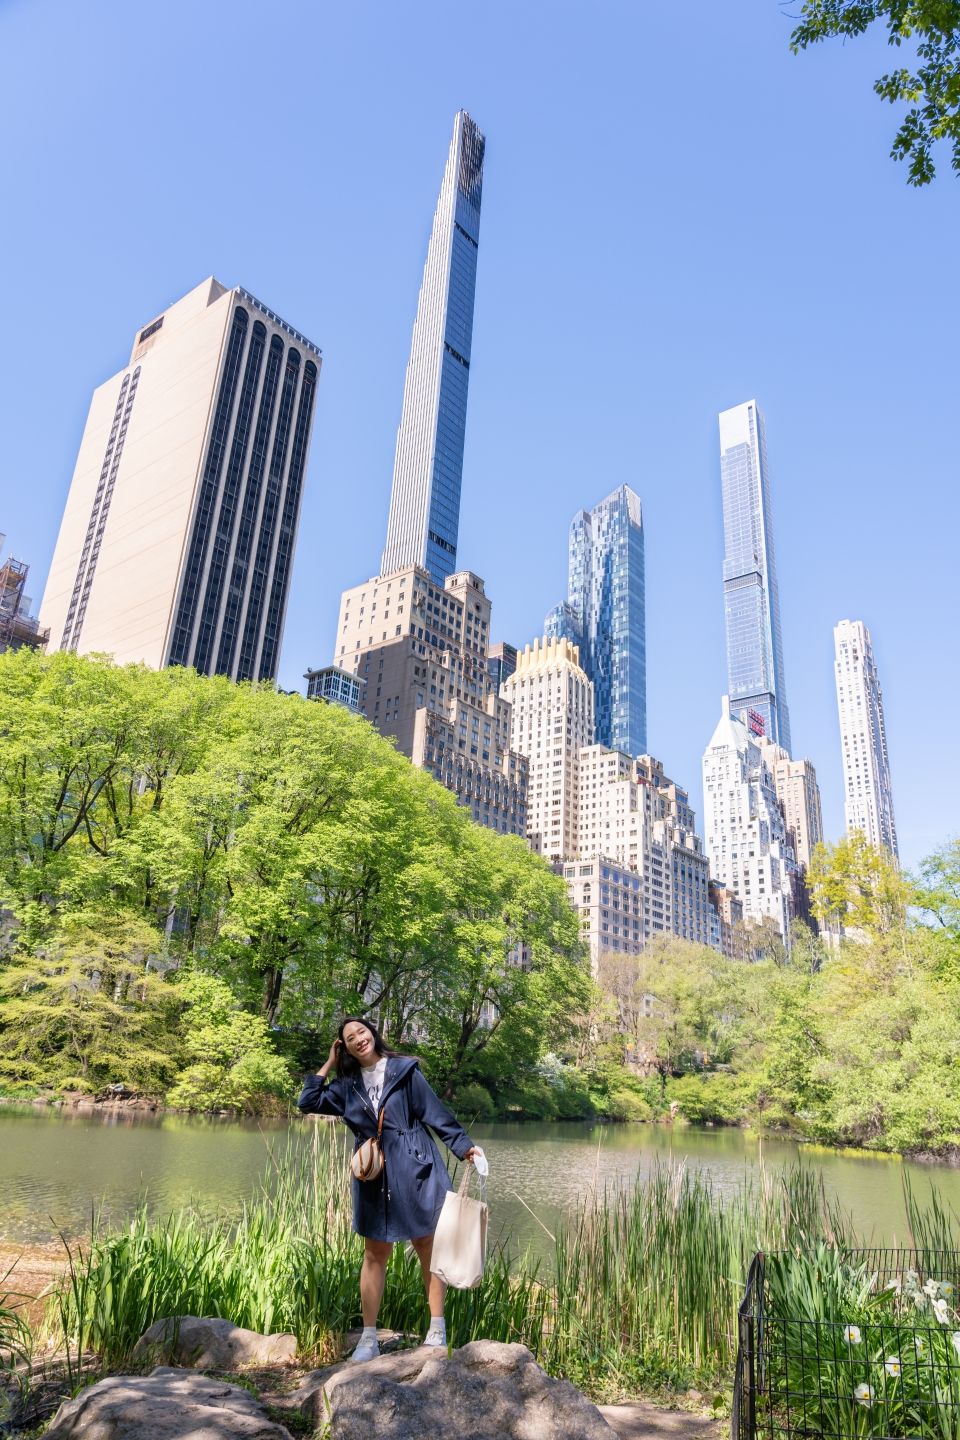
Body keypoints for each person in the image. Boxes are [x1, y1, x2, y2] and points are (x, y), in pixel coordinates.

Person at [297, 1016, 479, 1362]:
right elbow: (308, 1101)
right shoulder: (346, 1085)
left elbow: (434, 1113)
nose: (358, 1039)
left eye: (361, 1032)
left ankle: (436, 1331)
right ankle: (368, 1339)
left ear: (373, 1033)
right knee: (374, 1253)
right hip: (373, 1173)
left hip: (415, 1166)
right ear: (345, 1047)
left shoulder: (404, 1071)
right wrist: (330, 1063)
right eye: (349, 1038)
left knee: (427, 1246)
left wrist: (463, 1146)